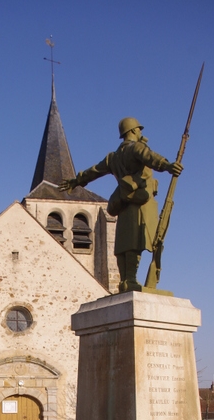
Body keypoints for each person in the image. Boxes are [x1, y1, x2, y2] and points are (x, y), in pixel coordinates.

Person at [59, 118, 183, 293]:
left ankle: (126, 280)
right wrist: (168, 166)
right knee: (137, 241)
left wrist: (76, 181)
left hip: (123, 203)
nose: (140, 133)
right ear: (132, 131)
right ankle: (130, 280)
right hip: (141, 204)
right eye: (138, 130)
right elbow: (151, 158)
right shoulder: (137, 148)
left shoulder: (113, 157)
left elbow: (93, 171)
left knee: (124, 243)